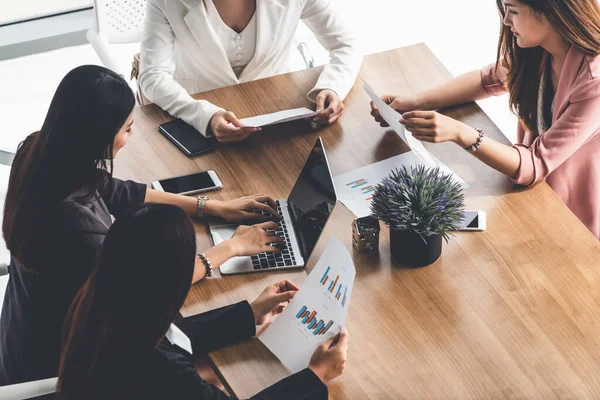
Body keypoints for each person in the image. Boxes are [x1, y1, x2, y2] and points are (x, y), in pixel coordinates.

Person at [0, 65, 286, 385]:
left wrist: (213, 207)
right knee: (225, 374)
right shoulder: (81, 236)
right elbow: (155, 288)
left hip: (24, 337)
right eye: (127, 128)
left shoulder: (38, 155)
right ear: (98, 136)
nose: (130, 136)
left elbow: (119, 192)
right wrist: (231, 248)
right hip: (57, 369)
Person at [57, 203, 348, 399]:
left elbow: (171, 337)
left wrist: (249, 315)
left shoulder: (100, 307)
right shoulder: (164, 372)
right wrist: (316, 375)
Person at [370, 0, 600, 239]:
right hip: (533, 196)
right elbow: (487, 80)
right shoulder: (537, 50)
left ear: (550, 12)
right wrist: (415, 102)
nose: (506, 20)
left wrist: (462, 134)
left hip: (571, 217)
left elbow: (536, 163)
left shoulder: (594, 81)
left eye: (513, 10)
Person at [139, 0, 363, 143]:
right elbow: (153, 75)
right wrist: (204, 115)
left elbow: (346, 43)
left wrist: (333, 86)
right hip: (201, 124)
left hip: (279, 117)